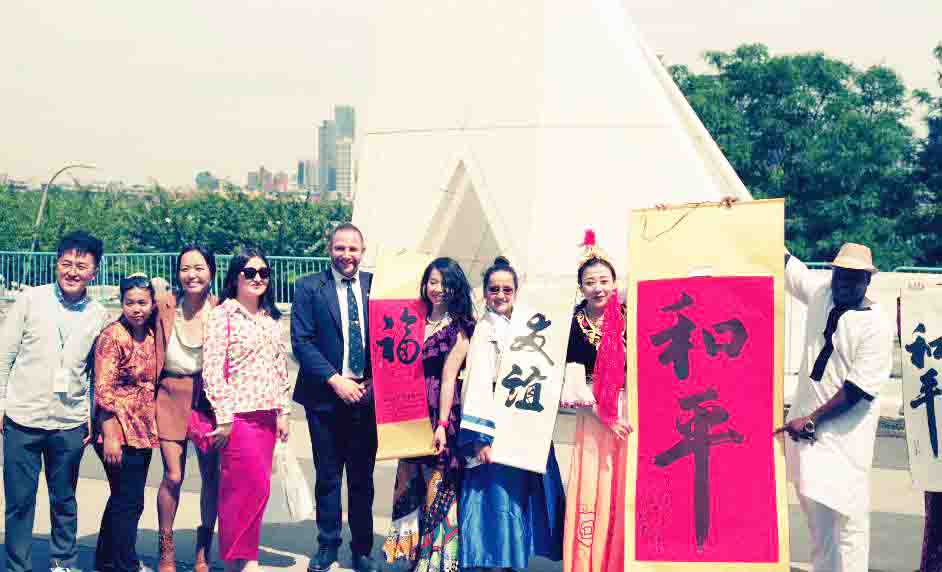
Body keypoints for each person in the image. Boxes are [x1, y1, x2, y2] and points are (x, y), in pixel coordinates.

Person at [775, 243, 893, 572]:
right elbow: (788, 264)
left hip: (844, 440)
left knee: (849, 523)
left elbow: (858, 390)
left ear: (867, 281)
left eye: (854, 278)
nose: (844, 284)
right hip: (806, 439)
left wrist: (812, 419)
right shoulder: (822, 293)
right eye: (840, 275)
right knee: (819, 525)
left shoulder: (876, 325)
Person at [0, 231, 110, 572]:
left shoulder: (98, 314)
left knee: (64, 500)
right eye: (66, 263)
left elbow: (98, 372)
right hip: (23, 418)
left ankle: (63, 562)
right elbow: (4, 355)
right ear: (56, 264)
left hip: (68, 422)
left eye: (82, 265)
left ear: (94, 271)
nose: (72, 271)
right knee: (19, 503)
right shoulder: (30, 300)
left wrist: (92, 414)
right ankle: (18, 566)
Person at [457, 256, 566, 571]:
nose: (500, 295)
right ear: (485, 293)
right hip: (494, 423)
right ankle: (495, 561)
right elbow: (477, 383)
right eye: (494, 289)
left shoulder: (523, 325)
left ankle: (513, 559)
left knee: (519, 494)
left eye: (507, 289)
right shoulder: (485, 330)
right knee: (496, 497)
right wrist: (481, 437)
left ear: (516, 292)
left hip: (522, 420)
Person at [291, 223, 379, 572]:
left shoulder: (378, 287)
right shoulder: (309, 287)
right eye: (340, 248)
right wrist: (335, 380)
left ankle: (362, 549)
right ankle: (327, 545)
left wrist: (375, 382)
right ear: (330, 249)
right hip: (326, 398)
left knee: (362, 480)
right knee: (328, 477)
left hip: (367, 399)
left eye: (353, 249)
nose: (346, 255)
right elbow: (302, 342)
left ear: (363, 251)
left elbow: (391, 340)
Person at [383, 257, 475, 571]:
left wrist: (442, 424)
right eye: (433, 282)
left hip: (439, 410)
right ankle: (407, 554)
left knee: (439, 482)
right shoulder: (411, 318)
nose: (438, 289)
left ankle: (435, 558)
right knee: (408, 479)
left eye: (445, 283)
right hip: (408, 407)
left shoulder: (460, 328)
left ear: (456, 287)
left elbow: (449, 378)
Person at [201, 247, 291, 572]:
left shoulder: (271, 318)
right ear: (235, 277)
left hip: (267, 416)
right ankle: (236, 561)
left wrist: (283, 412)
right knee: (239, 491)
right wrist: (224, 418)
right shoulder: (222, 315)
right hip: (238, 418)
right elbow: (212, 370)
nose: (257, 278)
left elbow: (280, 367)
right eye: (249, 272)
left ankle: (246, 556)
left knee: (258, 490)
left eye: (263, 273)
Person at [563, 231, 631, 572]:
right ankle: (588, 562)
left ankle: (620, 560)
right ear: (581, 287)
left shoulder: (630, 316)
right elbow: (573, 380)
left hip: (627, 410)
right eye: (590, 282)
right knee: (592, 484)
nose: (598, 288)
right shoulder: (573, 324)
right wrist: (604, 414)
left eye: (604, 280)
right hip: (591, 413)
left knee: (622, 485)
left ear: (615, 283)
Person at [154, 245, 220, 572]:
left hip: (208, 400)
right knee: (173, 475)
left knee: (211, 477)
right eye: (185, 268)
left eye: (199, 268)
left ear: (212, 272)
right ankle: (165, 549)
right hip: (169, 395)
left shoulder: (223, 309)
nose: (191, 275)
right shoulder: (164, 306)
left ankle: (203, 549)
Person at [93, 273, 162, 572]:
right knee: (130, 501)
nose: (136, 309)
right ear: (121, 303)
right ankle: (125, 564)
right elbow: (103, 390)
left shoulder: (152, 334)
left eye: (142, 302)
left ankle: (107, 561)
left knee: (122, 498)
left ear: (152, 303)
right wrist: (110, 436)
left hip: (142, 430)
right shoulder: (113, 336)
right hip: (118, 431)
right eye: (130, 302)